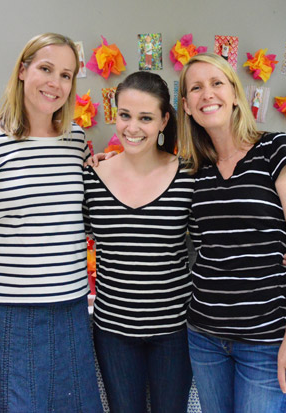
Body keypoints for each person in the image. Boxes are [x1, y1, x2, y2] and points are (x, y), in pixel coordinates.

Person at [0, 33, 103, 412]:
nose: (56, 83)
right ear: (22, 70)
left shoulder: (75, 142)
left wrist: (105, 175)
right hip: (7, 321)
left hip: (71, 316)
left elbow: (79, 221)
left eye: (66, 75)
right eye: (46, 69)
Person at [177, 53, 286, 413]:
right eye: (196, 88)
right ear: (187, 106)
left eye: (216, 83)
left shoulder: (276, 149)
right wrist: (103, 160)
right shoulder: (193, 170)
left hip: (267, 339)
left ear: (235, 94)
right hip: (205, 334)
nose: (207, 94)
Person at [83, 71, 195, 412]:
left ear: (163, 121)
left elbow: (217, 237)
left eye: (145, 118)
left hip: (174, 331)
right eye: (125, 115)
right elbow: (59, 234)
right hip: (113, 330)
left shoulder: (188, 175)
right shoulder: (91, 176)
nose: (132, 128)